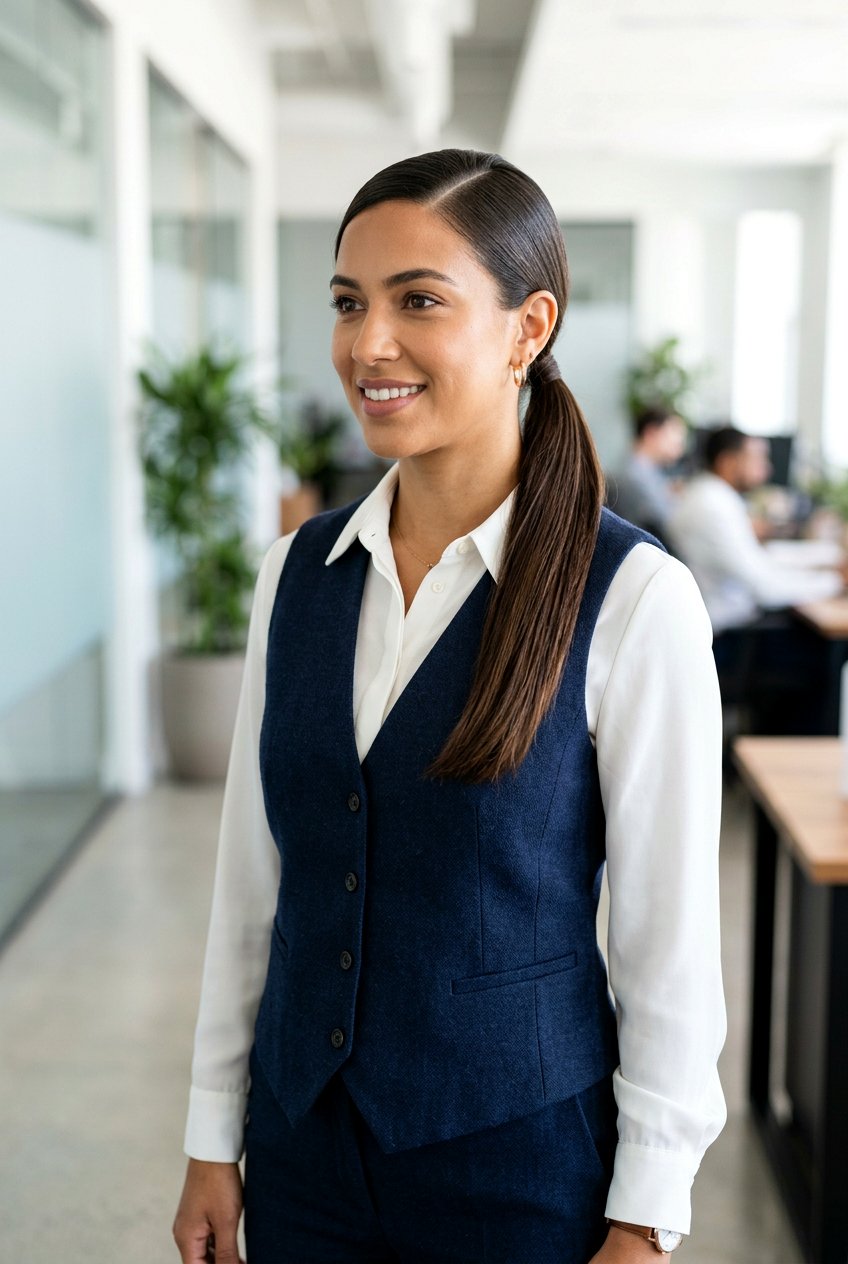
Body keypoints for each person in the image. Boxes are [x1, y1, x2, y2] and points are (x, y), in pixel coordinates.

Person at [173, 149, 726, 1264]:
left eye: (416, 300)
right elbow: (254, 882)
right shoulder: (296, 572)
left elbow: (667, 945)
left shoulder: (634, 599)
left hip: (517, 1169)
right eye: (347, 303)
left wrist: (643, 1220)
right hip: (300, 1152)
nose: (366, 344)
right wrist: (208, 1134)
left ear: (527, 329)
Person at [667, 425, 847, 634]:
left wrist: (825, 558)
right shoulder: (714, 505)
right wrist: (836, 581)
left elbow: (758, 560)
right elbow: (765, 587)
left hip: (734, 617)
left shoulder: (711, 494)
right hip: (733, 630)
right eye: (757, 459)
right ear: (728, 462)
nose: (767, 468)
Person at [604, 405, 687, 543]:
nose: (679, 445)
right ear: (651, 433)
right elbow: (668, 521)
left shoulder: (647, 470)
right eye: (674, 434)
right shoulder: (635, 475)